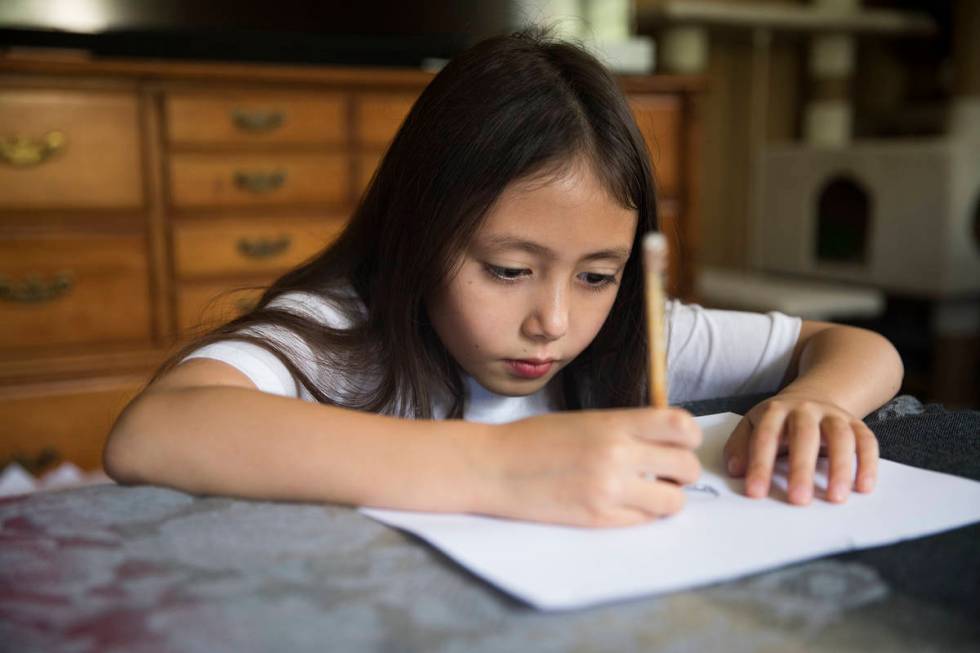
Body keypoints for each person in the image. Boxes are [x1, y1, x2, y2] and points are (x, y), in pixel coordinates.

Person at [103, 30, 904, 528]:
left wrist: (816, 400)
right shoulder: (340, 335)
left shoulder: (634, 332)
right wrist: (499, 466)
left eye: (598, 274)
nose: (553, 319)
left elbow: (858, 344)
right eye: (508, 270)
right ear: (418, 234)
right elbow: (154, 432)